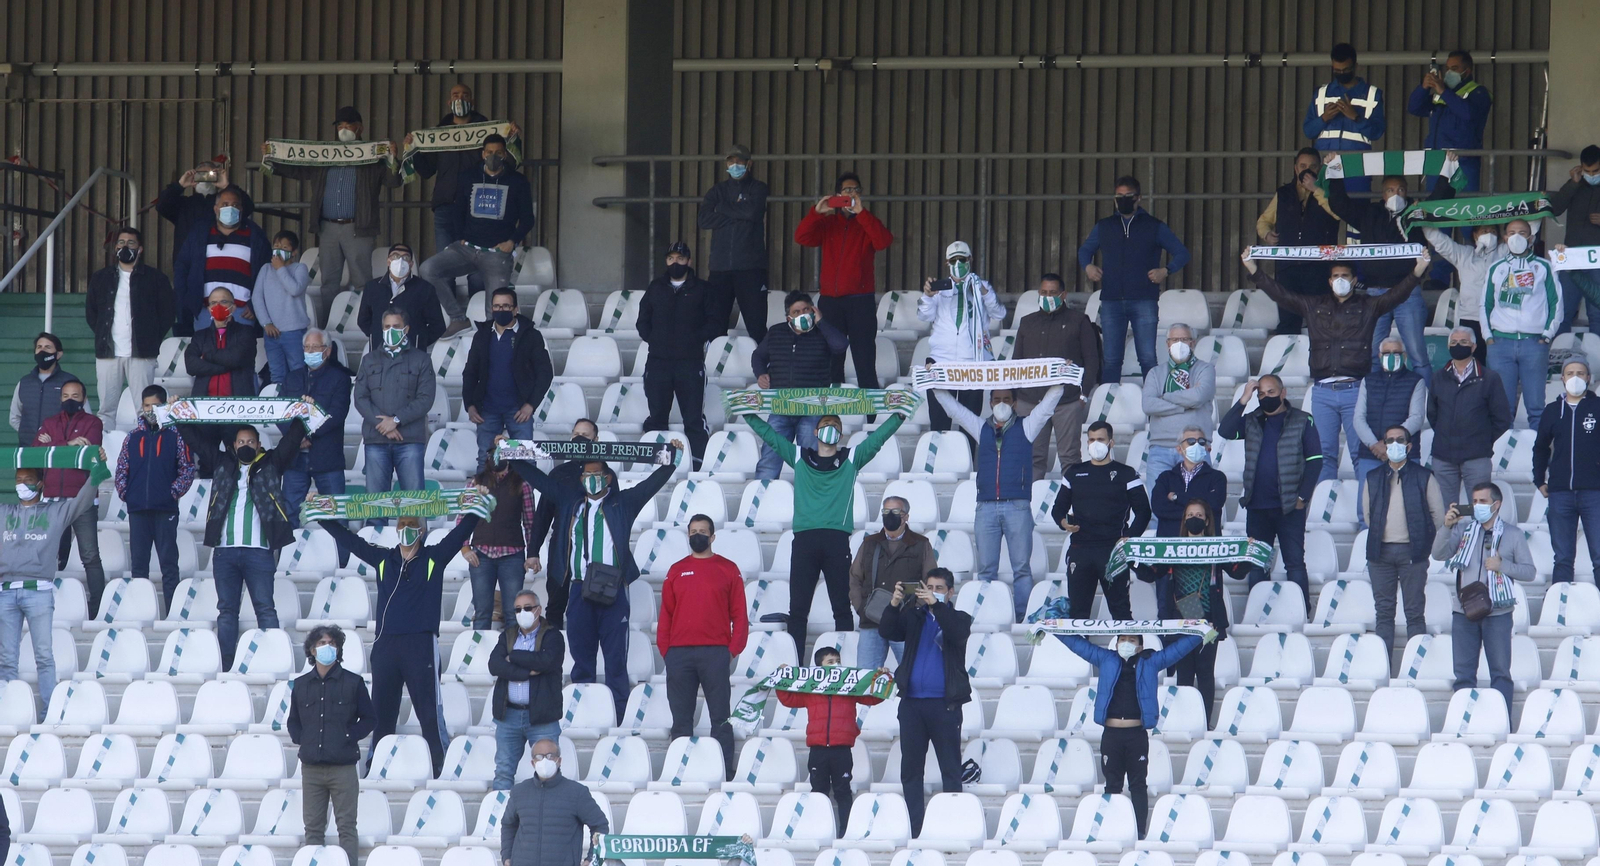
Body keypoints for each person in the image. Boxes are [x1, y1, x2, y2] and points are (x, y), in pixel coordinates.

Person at [508, 439, 683, 719]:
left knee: (615, 661)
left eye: (597, 475)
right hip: (578, 590)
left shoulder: (623, 503)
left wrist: (672, 458)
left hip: (613, 590)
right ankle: (583, 715)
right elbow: (540, 480)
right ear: (581, 479)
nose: (592, 480)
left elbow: (651, 485)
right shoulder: (569, 502)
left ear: (607, 478)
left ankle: (620, 717)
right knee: (581, 659)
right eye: (587, 476)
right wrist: (511, 455)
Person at [314, 509, 483, 776]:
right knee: (381, 713)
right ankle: (376, 766)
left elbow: (460, 533)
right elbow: (351, 541)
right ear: (395, 529)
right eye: (402, 524)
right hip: (385, 646)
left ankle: (440, 767)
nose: (406, 528)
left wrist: (476, 508)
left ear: (422, 530)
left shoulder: (433, 558)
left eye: (412, 524)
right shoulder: (384, 558)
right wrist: (322, 516)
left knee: (428, 712)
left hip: (420, 645)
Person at [1242, 248, 1429, 483]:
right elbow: (1281, 295)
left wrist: (1418, 269)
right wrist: (1254, 270)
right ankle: (1324, 516)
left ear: (1354, 280)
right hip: (1321, 392)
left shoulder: (1368, 305)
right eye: (1336, 276)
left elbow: (1397, 295)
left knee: (1360, 454)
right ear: (1329, 281)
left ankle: (1367, 508)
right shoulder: (1313, 305)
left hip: (1355, 389)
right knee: (1324, 455)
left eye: (1345, 276)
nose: (1340, 280)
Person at [742, 408, 907, 654]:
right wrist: (746, 413)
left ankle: (845, 662)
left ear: (840, 434)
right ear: (816, 431)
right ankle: (796, 662)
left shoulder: (852, 458)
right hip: (804, 541)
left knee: (841, 606)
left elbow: (878, 439)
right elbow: (771, 437)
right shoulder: (798, 455)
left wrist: (899, 417)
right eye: (826, 423)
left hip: (836, 542)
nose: (831, 427)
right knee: (798, 609)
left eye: (835, 424)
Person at [1058, 628, 1206, 839]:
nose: (1126, 643)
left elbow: (1177, 651)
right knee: (1112, 785)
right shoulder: (1105, 658)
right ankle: (1111, 830)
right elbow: (1079, 646)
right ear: (1116, 643)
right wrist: (1051, 630)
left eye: (1131, 640)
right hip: (1111, 735)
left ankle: (1139, 832)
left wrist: (1201, 633)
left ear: (1140, 645)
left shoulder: (1151, 661)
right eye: (1123, 639)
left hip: (1136, 735)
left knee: (1138, 785)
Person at [933, 384, 1065, 622]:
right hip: (986, 506)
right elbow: (955, 411)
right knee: (986, 571)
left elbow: (1046, 408)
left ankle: (1023, 618)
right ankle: (987, 615)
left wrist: (1060, 381)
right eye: (997, 399)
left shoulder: (1027, 426)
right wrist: (935, 387)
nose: (1001, 403)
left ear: (1014, 403)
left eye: (1006, 399)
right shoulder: (980, 427)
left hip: (1017, 506)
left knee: (1022, 569)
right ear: (991, 403)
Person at [181, 421, 306, 671]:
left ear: (259, 445)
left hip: (259, 551)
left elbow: (291, 441)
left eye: (251, 442)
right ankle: (228, 666)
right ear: (232, 446)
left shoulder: (271, 464)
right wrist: (180, 415)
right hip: (224, 551)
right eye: (241, 442)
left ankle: (274, 663)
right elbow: (196, 441)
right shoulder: (222, 463)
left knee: (265, 608)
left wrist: (301, 416)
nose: (246, 446)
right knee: (227, 612)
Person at [259, 106, 401, 302]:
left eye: (348, 125)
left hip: (358, 227)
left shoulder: (373, 157)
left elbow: (394, 182)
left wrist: (393, 157)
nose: (343, 129)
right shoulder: (325, 155)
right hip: (327, 227)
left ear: (359, 128)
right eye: (340, 125)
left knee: (362, 281)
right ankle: (325, 326)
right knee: (329, 281)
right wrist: (272, 159)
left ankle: (364, 325)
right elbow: (298, 171)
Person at [0, 459, 100, 714]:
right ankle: (10, 711)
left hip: (39, 592)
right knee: (6, 659)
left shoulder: (55, 512)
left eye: (28, 480)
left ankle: (49, 713)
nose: (22, 485)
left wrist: (96, 474)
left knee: (44, 656)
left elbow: (81, 502)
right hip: (6, 591)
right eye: (19, 480)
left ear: (41, 484)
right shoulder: (4, 512)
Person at [877, 568, 971, 837]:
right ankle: (915, 828)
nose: (932, 592)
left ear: (950, 592)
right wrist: (894, 603)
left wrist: (935, 605)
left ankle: (953, 826)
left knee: (950, 769)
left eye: (939, 588)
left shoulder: (959, 618)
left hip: (945, 706)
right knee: (911, 771)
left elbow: (955, 632)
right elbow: (887, 630)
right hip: (912, 706)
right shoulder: (914, 617)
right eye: (928, 587)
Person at [405, 84, 519, 304]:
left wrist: (513, 140)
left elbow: (508, 166)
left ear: (472, 101)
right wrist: (413, 150)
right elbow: (427, 171)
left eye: (465, 95)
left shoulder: (489, 132)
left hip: (477, 208)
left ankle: (477, 309)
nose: (460, 99)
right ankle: (451, 316)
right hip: (446, 207)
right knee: (444, 263)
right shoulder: (438, 133)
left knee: (480, 262)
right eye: (455, 95)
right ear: (449, 102)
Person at [657, 515, 748, 781]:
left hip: (715, 653)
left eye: (703, 531)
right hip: (679, 655)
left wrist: (732, 649)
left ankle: (723, 772)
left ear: (712, 536)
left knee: (720, 718)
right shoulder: (676, 570)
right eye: (693, 531)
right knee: (681, 720)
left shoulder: (728, 569)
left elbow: (739, 614)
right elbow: (667, 614)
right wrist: (666, 650)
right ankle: (681, 771)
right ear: (688, 536)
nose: (698, 535)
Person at [418, 133, 536, 337]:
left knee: (496, 310)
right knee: (428, 269)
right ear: (482, 154)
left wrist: (512, 241)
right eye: (489, 152)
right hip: (467, 248)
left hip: (497, 254)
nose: (493, 156)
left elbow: (528, 218)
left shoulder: (518, 181)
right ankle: (458, 319)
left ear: (505, 154)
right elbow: (458, 210)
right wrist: (460, 236)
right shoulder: (467, 176)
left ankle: (491, 344)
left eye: (498, 152)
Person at [1217, 375, 1321, 605]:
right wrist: (1244, 399)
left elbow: (1315, 460)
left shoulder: (1303, 420)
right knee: (1256, 564)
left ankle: (1302, 610)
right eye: (1261, 394)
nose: (1266, 398)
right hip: (1257, 507)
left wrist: (1302, 497)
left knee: (1294, 563)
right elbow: (1225, 430)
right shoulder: (1252, 420)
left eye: (1271, 392)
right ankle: (1257, 611)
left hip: (1289, 507)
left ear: (1283, 393)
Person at [1077, 175, 1190, 384]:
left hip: (1144, 300)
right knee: (1111, 360)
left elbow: (1182, 253)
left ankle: (1153, 407)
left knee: (1147, 358)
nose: (1123, 200)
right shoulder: (1104, 226)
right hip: (1111, 300)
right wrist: (1088, 266)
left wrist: (1166, 270)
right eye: (1119, 196)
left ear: (1139, 198)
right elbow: (1084, 251)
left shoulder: (1154, 226)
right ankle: (1108, 410)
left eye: (1128, 196)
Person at [1323, 163, 1432, 381]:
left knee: (1417, 355)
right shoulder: (1370, 212)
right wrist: (1334, 172)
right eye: (1391, 190)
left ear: (1407, 192)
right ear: (1383, 194)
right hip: (1375, 294)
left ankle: (1426, 409)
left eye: (1400, 189)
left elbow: (1443, 200)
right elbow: (1338, 204)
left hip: (1407, 292)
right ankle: (1372, 402)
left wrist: (1448, 170)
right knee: (1371, 354)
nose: (1396, 194)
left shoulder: (1417, 213)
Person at [1132, 500, 1235, 726]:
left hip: (1210, 620)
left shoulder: (1217, 547)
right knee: (1184, 673)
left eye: (1199, 514)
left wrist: (1247, 549)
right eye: (1190, 514)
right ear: (1184, 520)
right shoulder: (1173, 547)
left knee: (1205, 673)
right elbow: (1151, 573)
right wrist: (1132, 558)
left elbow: (1237, 570)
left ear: (1207, 520)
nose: (1194, 518)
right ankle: (1188, 721)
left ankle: (1204, 723)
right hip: (1180, 621)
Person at [1436, 483, 1535, 713]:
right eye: (1475, 502)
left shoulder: (1513, 534)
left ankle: (1502, 723)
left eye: (1482, 501)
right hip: (1464, 611)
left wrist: (1503, 565)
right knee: (1463, 675)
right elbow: (1438, 554)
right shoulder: (1462, 530)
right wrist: (1446, 527)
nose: (1477, 506)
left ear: (1496, 504)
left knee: (1500, 674)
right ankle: (1463, 722)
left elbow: (1529, 572)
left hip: (1498, 613)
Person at [794, 172, 894, 387]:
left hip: (861, 302)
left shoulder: (867, 222)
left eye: (856, 190)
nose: (852, 194)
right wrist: (816, 213)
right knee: (831, 361)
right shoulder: (828, 223)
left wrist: (862, 214)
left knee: (864, 360)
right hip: (830, 302)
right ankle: (830, 418)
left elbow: (884, 241)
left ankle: (871, 418)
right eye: (847, 190)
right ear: (837, 195)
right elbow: (801, 237)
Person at [287, 625, 373, 866]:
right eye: (322, 643)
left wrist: (348, 736)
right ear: (312, 650)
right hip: (311, 768)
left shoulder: (354, 683)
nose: (327, 648)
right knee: (313, 829)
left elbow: (370, 718)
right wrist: (303, 739)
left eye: (332, 644)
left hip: (343, 767)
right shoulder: (301, 685)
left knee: (346, 827)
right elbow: (293, 721)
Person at [777, 645, 887, 832]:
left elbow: (873, 698)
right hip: (818, 750)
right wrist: (782, 677)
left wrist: (882, 678)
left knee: (843, 792)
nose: (836, 665)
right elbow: (789, 699)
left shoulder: (850, 686)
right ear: (820, 667)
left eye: (838, 661)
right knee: (818, 793)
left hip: (842, 750)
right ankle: (819, 831)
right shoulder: (810, 689)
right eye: (830, 662)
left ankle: (846, 832)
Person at [1050, 421, 1152, 620]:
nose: (1095, 444)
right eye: (1091, 440)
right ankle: (1079, 652)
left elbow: (1144, 511)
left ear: (1111, 442)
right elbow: (1058, 509)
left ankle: (1128, 650)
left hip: (1113, 550)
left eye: (1100, 440)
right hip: (1081, 550)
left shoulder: (1126, 474)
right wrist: (1063, 522)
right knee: (1078, 613)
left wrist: (1129, 537)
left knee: (1121, 612)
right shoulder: (1074, 473)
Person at [1365, 424, 1446, 665]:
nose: (1395, 445)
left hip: (1413, 552)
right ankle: (1384, 669)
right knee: (1384, 614)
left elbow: (1438, 516)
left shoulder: (1424, 476)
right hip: (1380, 553)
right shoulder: (1373, 477)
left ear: (1409, 446)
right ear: (1384, 445)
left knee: (1414, 613)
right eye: (1389, 441)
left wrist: (1421, 540)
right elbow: (1368, 517)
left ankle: (1416, 669)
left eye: (1400, 440)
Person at [637, 241, 720, 468]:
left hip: (690, 363)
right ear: (666, 261)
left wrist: (694, 339)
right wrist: (653, 338)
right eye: (671, 258)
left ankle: (697, 464)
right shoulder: (655, 287)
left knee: (693, 419)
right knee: (657, 417)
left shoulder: (702, 289)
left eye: (680, 259)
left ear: (689, 261)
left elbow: (715, 321)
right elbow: (642, 319)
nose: (676, 263)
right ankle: (656, 463)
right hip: (658, 363)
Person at [750, 291, 849, 480]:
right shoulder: (776, 332)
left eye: (806, 309)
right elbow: (758, 356)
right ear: (789, 316)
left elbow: (840, 345)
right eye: (797, 311)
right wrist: (760, 373)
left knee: (810, 462)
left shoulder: (823, 331)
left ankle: (811, 502)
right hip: (780, 407)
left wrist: (821, 321)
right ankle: (761, 504)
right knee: (769, 460)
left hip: (812, 409)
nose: (802, 314)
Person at [115, 385, 197, 609]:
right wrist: (127, 494)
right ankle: (140, 611)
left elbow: (188, 469)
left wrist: (172, 493)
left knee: (169, 565)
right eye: (146, 405)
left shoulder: (176, 435)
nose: (150, 410)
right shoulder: (132, 437)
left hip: (165, 510)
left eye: (156, 405)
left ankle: (172, 612)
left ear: (164, 406)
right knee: (139, 567)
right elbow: (122, 469)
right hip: (138, 510)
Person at [1012, 273, 1099, 479]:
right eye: (1043, 292)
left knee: (1070, 458)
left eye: (1052, 293)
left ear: (1064, 294)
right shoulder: (1027, 322)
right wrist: (1015, 397)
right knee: (1032, 457)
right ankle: (1030, 506)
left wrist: (1083, 394)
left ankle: (1072, 507)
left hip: (1066, 401)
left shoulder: (1079, 321)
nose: (1047, 296)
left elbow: (1092, 361)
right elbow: (1017, 361)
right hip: (1030, 401)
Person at [86, 226, 173, 427]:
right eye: (121, 243)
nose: (125, 246)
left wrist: (150, 338)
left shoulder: (155, 278)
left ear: (140, 249)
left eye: (131, 243)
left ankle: (147, 449)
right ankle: (104, 454)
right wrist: (103, 335)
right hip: (108, 353)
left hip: (142, 353)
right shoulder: (101, 277)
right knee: (106, 409)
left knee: (146, 408)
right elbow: (92, 313)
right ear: (115, 247)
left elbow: (167, 314)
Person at [920, 241, 1006, 443]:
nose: (958, 263)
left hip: (972, 362)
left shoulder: (983, 287)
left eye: (962, 259)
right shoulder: (939, 289)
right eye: (954, 260)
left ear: (970, 260)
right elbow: (924, 317)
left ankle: (968, 466)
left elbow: (999, 313)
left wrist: (984, 292)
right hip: (941, 361)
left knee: (970, 423)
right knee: (939, 423)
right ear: (947, 263)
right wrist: (928, 296)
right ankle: (940, 466)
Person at [355, 308, 437, 516]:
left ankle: (417, 548)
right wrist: (383, 424)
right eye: (387, 326)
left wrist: (397, 420)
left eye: (396, 327)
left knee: (414, 505)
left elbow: (426, 399)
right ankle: (375, 545)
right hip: (376, 440)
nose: (391, 330)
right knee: (375, 506)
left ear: (406, 329)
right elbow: (360, 398)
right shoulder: (369, 360)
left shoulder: (421, 359)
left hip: (409, 440)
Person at [33, 380, 106, 612]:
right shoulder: (49, 422)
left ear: (84, 399)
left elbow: (88, 452)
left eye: (75, 395)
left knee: (90, 556)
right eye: (65, 395)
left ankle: (99, 609)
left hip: (82, 498)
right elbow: (36, 452)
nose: (70, 399)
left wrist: (53, 447)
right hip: (52, 498)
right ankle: (47, 606)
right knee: (48, 556)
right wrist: (68, 444)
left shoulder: (93, 422)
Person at [1483, 219, 1562, 430]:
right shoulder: (1496, 268)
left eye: (1522, 232)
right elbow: (1485, 304)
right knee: (1502, 408)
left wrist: (1546, 335)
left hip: (1533, 343)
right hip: (1500, 344)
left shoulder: (1544, 267)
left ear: (1531, 237)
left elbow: (1556, 303)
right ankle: (1501, 458)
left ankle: (1538, 457)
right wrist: (1488, 337)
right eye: (1511, 232)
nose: (1516, 236)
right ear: (1505, 238)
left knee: (1536, 407)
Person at [463, 286, 554, 461]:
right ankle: (485, 490)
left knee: (525, 459)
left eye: (506, 306)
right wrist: (470, 404)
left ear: (515, 309)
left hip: (519, 410)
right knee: (486, 459)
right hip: (487, 409)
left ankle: (525, 490)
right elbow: (470, 372)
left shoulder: (531, 336)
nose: (500, 310)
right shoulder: (481, 336)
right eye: (496, 306)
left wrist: (530, 405)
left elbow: (545, 373)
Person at [526, 418, 602, 629]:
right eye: (575, 434)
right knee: (556, 604)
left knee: (590, 608)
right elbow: (542, 517)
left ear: (596, 440)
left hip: (594, 552)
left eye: (585, 436)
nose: (579, 438)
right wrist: (533, 551)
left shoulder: (604, 474)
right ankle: (555, 655)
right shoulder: (559, 474)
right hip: (561, 548)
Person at [487, 590, 565, 791]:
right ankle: (501, 820)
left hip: (541, 717)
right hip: (508, 715)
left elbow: (547, 661)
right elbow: (494, 665)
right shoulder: (508, 635)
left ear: (538, 610)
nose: (523, 612)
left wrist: (512, 657)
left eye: (527, 608)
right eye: (518, 609)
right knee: (503, 771)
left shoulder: (553, 635)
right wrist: (527, 672)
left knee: (548, 774)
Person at [278, 330, 353, 537]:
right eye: (306, 348)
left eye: (315, 347)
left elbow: (336, 414)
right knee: (289, 511)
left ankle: (343, 563)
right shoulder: (291, 378)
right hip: (294, 459)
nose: (310, 351)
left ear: (327, 351)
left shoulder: (340, 379)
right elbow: (280, 412)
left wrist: (306, 435)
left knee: (336, 513)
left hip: (327, 458)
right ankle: (286, 561)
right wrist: (296, 438)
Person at [1255, 148, 1340, 333]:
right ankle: (1286, 361)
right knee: (1288, 321)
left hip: (1319, 268)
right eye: (1303, 166)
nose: (1307, 170)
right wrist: (1267, 234)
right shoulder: (1284, 193)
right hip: (1288, 268)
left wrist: (1315, 189)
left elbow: (1337, 213)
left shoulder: (1327, 192)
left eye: (1312, 166)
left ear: (1319, 169)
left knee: (1320, 321)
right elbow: (1264, 221)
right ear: (1295, 168)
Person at [1428, 326, 1512, 508]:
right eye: (1454, 342)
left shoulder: (1489, 378)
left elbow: (1502, 418)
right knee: (1445, 513)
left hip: (1477, 456)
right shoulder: (1438, 377)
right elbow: (1432, 414)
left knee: (1481, 510)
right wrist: (1446, 433)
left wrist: (1481, 439)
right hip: (1443, 456)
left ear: (1474, 347)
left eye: (1464, 342)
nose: (1459, 345)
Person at [849, 495, 936, 670]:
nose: (890, 515)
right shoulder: (869, 543)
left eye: (895, 511)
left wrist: (915, 612)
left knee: (912, 676)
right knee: (866, 679)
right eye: (886, 511)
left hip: (905, 622)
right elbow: (854, 578)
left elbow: (930, 580)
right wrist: (861, 608)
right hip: (871, 619)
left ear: (906, 516)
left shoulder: (921, 544)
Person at [172, 185, 272, 336]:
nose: (230, 208)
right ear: (215, 209)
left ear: (242, 209)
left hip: (242, 312)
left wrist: (254, 305)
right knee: (205, 357)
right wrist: (188, 300)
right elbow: (182, 266)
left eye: (235, 205)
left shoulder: (255, 236)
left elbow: (268, 273)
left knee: (240, 357)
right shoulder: (199, 233)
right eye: (225, 205)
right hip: (206, 311)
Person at [1534, 360, 1600, 585]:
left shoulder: (1598, 407)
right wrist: (1538, 478)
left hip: (1594, 492)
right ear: (1562, 378)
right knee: (1562, 558)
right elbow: (1540, 447)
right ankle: (1559, 609)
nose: (1575, 377)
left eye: (1580, 373)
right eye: (1570, 373)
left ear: (1589, 378)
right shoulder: (1552, 411)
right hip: (1560, 493)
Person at [699, 144, 771, 339]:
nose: (735, 165)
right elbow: (704, 220)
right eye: (731, 161)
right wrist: (738, 213)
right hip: (719, 268)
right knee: (715, 326)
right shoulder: (717, 190)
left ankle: (763, 369)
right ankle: (715, 368)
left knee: (756, 326)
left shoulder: (757, 187)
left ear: (749, 164)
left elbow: (753, 212)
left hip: (751, 268)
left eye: (739, 161)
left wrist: (721, 209)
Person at [500, 739, 609, 866]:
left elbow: (600, 825)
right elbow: (508, 824)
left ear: (559, 761)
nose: (545, 760)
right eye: (539, 757)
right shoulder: (519, 792)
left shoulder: (577, 792)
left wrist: (591, 859)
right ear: (533, 763)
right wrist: (506, 856)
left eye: (550, 756)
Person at [1354, 338, 1426, 528]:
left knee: (1406, 509)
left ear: (1404, 356)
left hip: (1405, 455)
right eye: (1386, 353)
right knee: (1366, 511)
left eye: (1396, 352)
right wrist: (1373, 444)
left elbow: (1416, 418)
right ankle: (1366, 553)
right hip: (1370, 455)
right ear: (1379, 356)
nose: (1391, 356)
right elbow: (1358, 419)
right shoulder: (1368, 381)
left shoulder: (1416, 381)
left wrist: (1391, 444)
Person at [461, 457, 538, 631]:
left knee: (513, 613)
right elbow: (462, 517)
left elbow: (530, 524)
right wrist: (465, 548)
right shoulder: (475, 483)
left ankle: (513, 654)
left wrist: (532, 553)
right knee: (481, 612)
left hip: (512, 555)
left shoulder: (522, 484)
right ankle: (479, 657)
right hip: (481, 554)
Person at [1303, 44, 1385, 192]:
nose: (1341, 73)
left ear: (1355, 66)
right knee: (1322, 207)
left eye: (1346, 70)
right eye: (1337, 70)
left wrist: (1356, 117)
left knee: (1356, 208)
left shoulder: (1372, 94)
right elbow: (1308, 131)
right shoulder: (1321, 93)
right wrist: (1324, 118)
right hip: (1325, 163)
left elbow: (1377, 132)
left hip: (1357, 165)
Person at [1408, 51, 1493, 191]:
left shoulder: (1479, 92)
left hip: (1462, 161)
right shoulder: (1441, 94)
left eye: (1454, 69)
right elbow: (1414, 108)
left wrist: (1444, 92)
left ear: (1467, 71)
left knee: (1463, 208)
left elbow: (1468, 114)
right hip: (1436, 160)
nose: (1449, 73)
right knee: (1435, 208)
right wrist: (1424, 88)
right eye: (1447, 69)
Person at [1423, 218, 1505, 363]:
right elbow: (1441, 243)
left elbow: (1525, 236)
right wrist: (1421, 220)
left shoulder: (1504, 253)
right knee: (1473, 364)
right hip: (1470, 318)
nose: (1489, 234)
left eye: (1493, 231)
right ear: (1475, 235)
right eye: (1484, 231)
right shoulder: (1464, 254)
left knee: (1499, 365)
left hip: (1499, 320)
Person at [1141, 323, 1215, 483]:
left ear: (1193, 342)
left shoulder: (1205, 369)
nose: (1179, 344)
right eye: (1174, 340)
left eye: (1184, 339)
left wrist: (1164, 396)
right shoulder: (1155, 373)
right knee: (1160, 505)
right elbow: (1148, 405)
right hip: (1160, 449)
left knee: (1197, 504)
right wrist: (1186, 404)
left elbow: (1198, 397)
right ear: (1167, 344)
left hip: (1195, 446)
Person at [156, 159, 253, 268]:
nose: (205, 179)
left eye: (209, 175)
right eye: (200, 176)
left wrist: (227, 186)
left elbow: (248, 207)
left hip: (217, 263)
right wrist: (180, 185)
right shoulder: (183, 205)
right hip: (188, 266)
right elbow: (161, 206)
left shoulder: (225, 205)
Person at [358, 243, 446, 352]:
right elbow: (363, 320)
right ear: (388, 261)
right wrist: (377, 334)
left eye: (405, 258)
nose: (400, 261)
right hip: (379, 352)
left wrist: (419, 340)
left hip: (412, 355)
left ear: (411, 264)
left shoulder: (425, 289)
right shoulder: (372, 287)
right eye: (395, 256)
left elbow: (438, 325)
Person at [1549, 147, 1600, 333]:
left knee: (1597, 313)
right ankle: (1559, 358)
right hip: (1571, 256)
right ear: (1581, 168)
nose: (1592, 175)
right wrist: (1572, 183)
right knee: (1563, 311)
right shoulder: (1576, 184)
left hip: (1598, 259)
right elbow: (1553, 209)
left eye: (1596, 171)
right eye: (1588, 171)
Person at [253, 230, 312, 386]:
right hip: (271, 333)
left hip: (294, 331)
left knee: (298, 371)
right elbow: (257, 297)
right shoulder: (265, 269)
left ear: (294, 252)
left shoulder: (301, 268)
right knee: (276, 374)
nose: (279, 250)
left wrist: (280, 269)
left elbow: (294, 289)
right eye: (276, 246)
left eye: (284, 247)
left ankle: (298, 406)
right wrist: (266, 323)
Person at [1150, 425, 1227, 537]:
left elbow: (1214, 505)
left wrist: (1177, 497)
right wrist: (1199, 511)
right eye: (1190, 441)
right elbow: (1159, 508)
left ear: (1206, 447)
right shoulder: (1165, 478)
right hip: (1170, 547)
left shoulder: (1217, 477)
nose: (1196, 445)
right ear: (1179, 449)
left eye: (1201, 441)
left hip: (1207, 547)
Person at [10, 333, 79, 448]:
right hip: (28, 450)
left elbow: (83, 417)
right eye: (39, 347)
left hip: (59, 452)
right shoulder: (24, 383)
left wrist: (60, 438)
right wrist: (29, 435)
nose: (42, 350)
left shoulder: (70, 382)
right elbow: (14, 417)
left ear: (58, 354)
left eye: (48, 347)